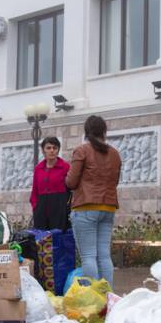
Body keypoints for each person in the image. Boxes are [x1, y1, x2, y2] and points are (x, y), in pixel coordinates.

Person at [66, 115, 122, 286]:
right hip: (108, 208)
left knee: (89, 256)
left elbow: (71, 182)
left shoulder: (82, 151)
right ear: (104, 132)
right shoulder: (114, 153)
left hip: (85, 207)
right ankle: (108, 297)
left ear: (87, 131)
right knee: (104, 255)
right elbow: (115, 181)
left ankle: (93, 299)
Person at [30, 136, 71, 230]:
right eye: (48, 148)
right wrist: (35, 206)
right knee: (42, 241)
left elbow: (70, 189)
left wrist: (66, 208)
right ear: (43, 150)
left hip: (59, 209)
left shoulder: (65, 167)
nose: (52, 150)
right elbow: (34, 191)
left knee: (58, 239)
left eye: (54, 148)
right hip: (41, 209)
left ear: (58, 150)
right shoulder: (38, 168)